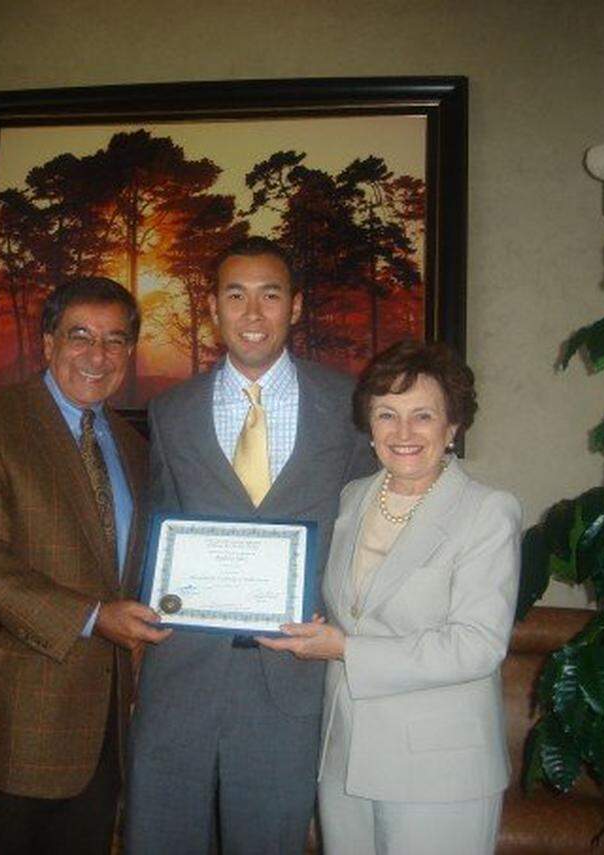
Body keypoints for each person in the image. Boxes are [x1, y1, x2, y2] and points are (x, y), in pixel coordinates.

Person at [123, 236, 377, 855]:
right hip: (181, 674)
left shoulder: (351, 407)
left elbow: (365, 531)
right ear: (213, 307)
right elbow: (160, 519)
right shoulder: (172, 410)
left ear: (295, 306)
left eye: (270, 294)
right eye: (236, 295)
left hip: (292, 676)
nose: (253, 313)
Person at [0, 277, 171, 855]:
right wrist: (91, 616)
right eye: (79, 336)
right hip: (21, 720)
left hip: (109, 723)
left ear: (129, 353)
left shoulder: (135, 448)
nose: (97, 355)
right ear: (48, 343)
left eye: (115, 340)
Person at [259, 340, 522, 855]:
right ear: (369, 425)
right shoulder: (351, 498)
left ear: (452, 428)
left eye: (422, 415)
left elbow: (477, 646)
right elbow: (342, 603)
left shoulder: (487, 511)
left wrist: (345, 650)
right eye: (387, 415)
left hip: (439, 770)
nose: (403, 433)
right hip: (344, 760)